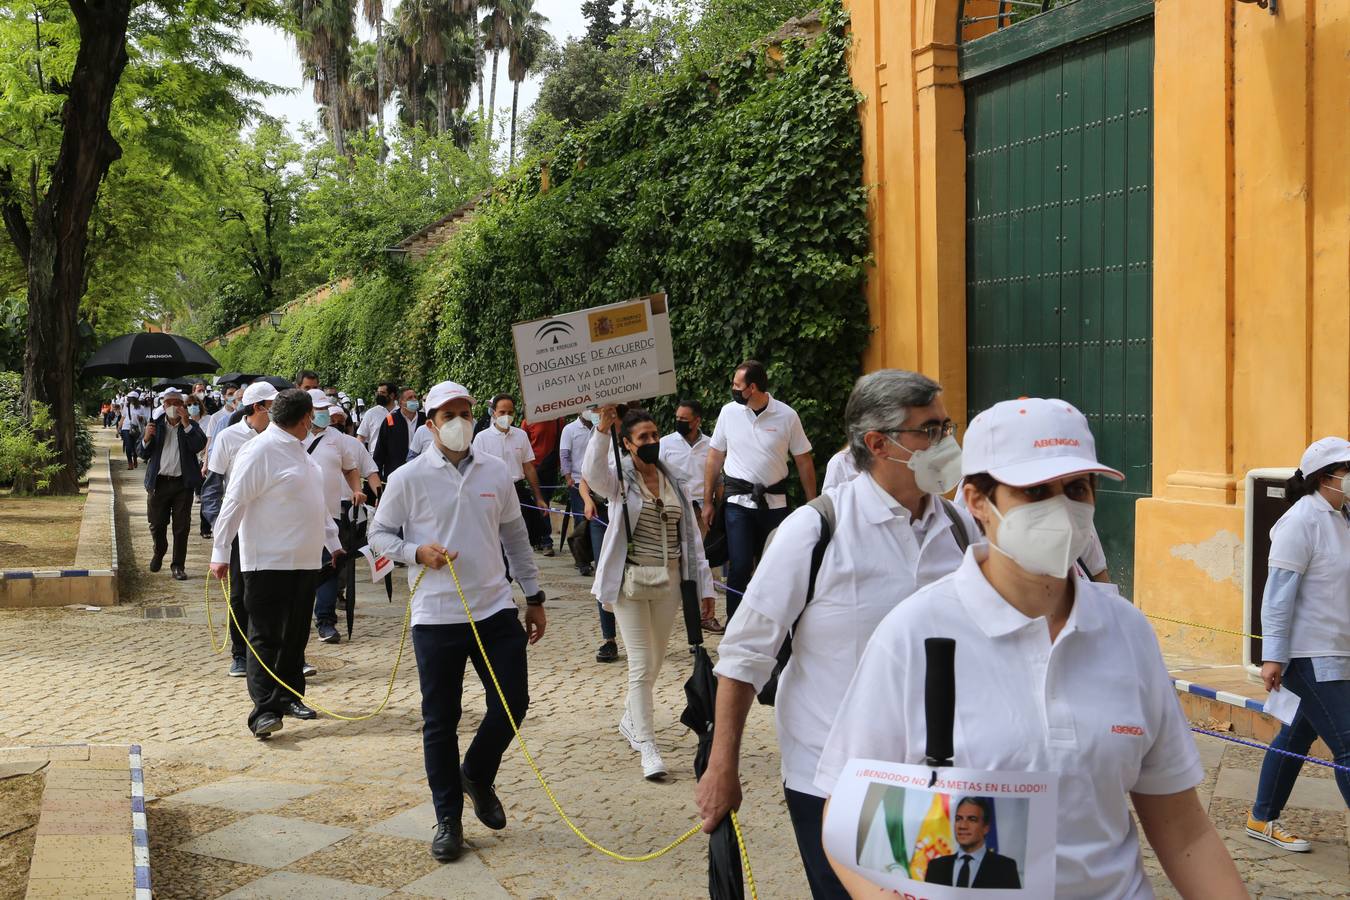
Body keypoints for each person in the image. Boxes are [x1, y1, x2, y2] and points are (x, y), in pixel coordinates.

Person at [815, 397, 1246, 899]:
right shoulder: (914, 633)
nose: (1062, 507)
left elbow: (1183, 828)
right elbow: (846, 811)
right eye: (1036, 491)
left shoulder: (1127, 633)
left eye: (1077, 488)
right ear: (977, 501)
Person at [696, 370, 972, 898]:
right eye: (930, 431)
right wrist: (721, 767)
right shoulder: (815, 531)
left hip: (943, 777)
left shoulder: (962, 529)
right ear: (878, 444)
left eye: (947, 427)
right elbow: (745, 654)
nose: (947, 443)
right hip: (837, 778)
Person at [369, 380, 547, 863]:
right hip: (436, 614)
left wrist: (533, 596)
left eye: (465, 411)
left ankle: (478, 772)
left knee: (513, 701)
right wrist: (414, 552)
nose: (458, 421)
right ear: (430, 423)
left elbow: (515, 539)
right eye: (448, 414)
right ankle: (447, 818)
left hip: (494, 608)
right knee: (440, 720)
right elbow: (378, 532)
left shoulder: (494, 471)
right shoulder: (408, 477)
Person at [586, 405, 717, 781]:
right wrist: (602, 428)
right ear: (626, 444)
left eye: (655, 435)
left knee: (657, 661)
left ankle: (630, 719)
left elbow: (691, 536)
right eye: (643, 438)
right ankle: (647, 744)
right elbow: (593, 476)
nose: (652, 442)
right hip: (630, 582)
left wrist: (704, 585)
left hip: (670, 581)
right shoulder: (620, 480)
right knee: (642, 665)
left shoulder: (674, 479)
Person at [209, 389, 342, 739]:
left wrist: (334, 542)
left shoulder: (302, 454)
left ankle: (289, 696)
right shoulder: (260, 451)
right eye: (311, 418)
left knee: (296, 636)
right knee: (266, 636)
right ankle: (264, 711)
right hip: (266, 560)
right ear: (303, 419)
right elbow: (233, 502)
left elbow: (317, 504)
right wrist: (220, 551)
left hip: (305, 560)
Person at [1246, 436, 1350, 850]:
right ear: (1326, 477)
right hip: (1310, 653)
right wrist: (1273, 654)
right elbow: (1278, 594)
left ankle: (1260, 819)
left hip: (1338, 648)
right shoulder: (1301, 520)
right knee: (1348, 745)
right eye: (1347, 470)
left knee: (1293, 738)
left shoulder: (1341, 516)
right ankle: (1262, 817)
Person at [702, 360, 816, 621]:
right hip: (737, 502)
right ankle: (735, 623)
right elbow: (714, 457)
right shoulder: (729, 412)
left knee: (774, 567)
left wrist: (812, 504)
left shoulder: (787, 415)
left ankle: (773, 623)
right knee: (739, 565)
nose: (732, 388)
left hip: (774, 504)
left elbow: (803, 460)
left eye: (736, 385)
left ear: (752, 388)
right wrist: (708, 501)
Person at [203, 381, 278, 678]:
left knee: (275, 593)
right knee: (241, 593)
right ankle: (240, 653)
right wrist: (220, 526)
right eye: (272, 407)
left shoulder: (282, 437)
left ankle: (279, 653)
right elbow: (212, 486)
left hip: (274, 527)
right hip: (239, 527)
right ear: (258, 408)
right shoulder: (228, 438)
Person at [305, 390, 367, 644]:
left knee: (330, 566)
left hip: (331, 514)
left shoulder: (337, 438)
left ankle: (326, 621)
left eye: (324, 409)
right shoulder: (290, 436)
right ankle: (296, 617)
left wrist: (357, 489)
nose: (322, 414)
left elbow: (350, 469)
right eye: (317, 410)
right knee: (300, 569)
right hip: (298, 517)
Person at [560, 408, 617, 661]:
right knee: (603, 571)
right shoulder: (596, 436)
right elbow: (585, 479)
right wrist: (587, 501)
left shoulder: (630, 438)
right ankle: (609, 638)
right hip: (600, 513)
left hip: (625, 514)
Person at [660, 400, 718, 632]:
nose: (679, 422)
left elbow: (718, 477)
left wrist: (713, 504)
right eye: (678, 418)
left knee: (703, 562)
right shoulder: (665, 443)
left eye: (684, 419)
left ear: (697, 421)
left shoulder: (711, 444)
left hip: (702, 510)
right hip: (673, 510)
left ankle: (706, 613)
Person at [139, 388, 207, 581]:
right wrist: (146, 437)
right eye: (169, 403)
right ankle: (159, 550)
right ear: (163, 406)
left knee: (181, 527)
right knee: (156, 523)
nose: (173, 407)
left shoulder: (191, 426)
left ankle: (178, 565)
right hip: (158, 483)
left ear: (182, 406)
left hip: (182, 485)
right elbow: (142, 454)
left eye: (177, 403)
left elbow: (198, 445)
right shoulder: (155, 425)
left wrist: (186, 424)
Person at [472, 395, 550, 556]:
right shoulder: (482, 438)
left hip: (518, 491)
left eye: (510, 412)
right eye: (502, 412)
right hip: (492, 492)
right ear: (493, 413)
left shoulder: (521, 435)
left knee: (522, 536)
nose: (506, 416)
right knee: (495, 538)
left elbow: (528, 467)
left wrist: (538, 497)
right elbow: (476, 469)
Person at [924, 797, 1021, 889]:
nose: (962, 826)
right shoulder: (936, 866)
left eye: (972, 819)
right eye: (959, 819)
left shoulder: (1006, 868)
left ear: (986, 828)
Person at [522, 416, 564, 556]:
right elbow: (523, 446)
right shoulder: (528, 421)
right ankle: (546, 541)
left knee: (543, 502)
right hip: (533, 468)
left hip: (550, 468)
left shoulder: (558, 419)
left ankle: (538, 537)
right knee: (542, 502)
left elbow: (561, 445)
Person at [373, 388, 426, 480]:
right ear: (401, 402)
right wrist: (377, 476)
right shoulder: (390, 421)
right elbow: (380, 450)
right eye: (410, 398)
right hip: (396, 473)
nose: (414, 400)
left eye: (415, 397)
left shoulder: (425, 419)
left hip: (421, 472)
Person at [358, 382, 396, 450]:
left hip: (398, 457)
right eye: (378, 393)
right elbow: (361, 437)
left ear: (392, 395)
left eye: (382, 393)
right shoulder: (371, 413)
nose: (379, 395)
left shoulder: (401, 412)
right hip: (375, 458)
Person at [118, 393, 144, 470]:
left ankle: (135, 458)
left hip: (136, 429)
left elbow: (144, 419)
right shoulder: (126, 407)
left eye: (132, 398)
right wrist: (119, 428)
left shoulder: (141, 408)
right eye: (129, 398)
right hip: (126, 428)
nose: (130, 400)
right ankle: (130, 463)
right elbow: (123, 417)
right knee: (128, 446)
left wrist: (140, 418)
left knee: (135, 446)